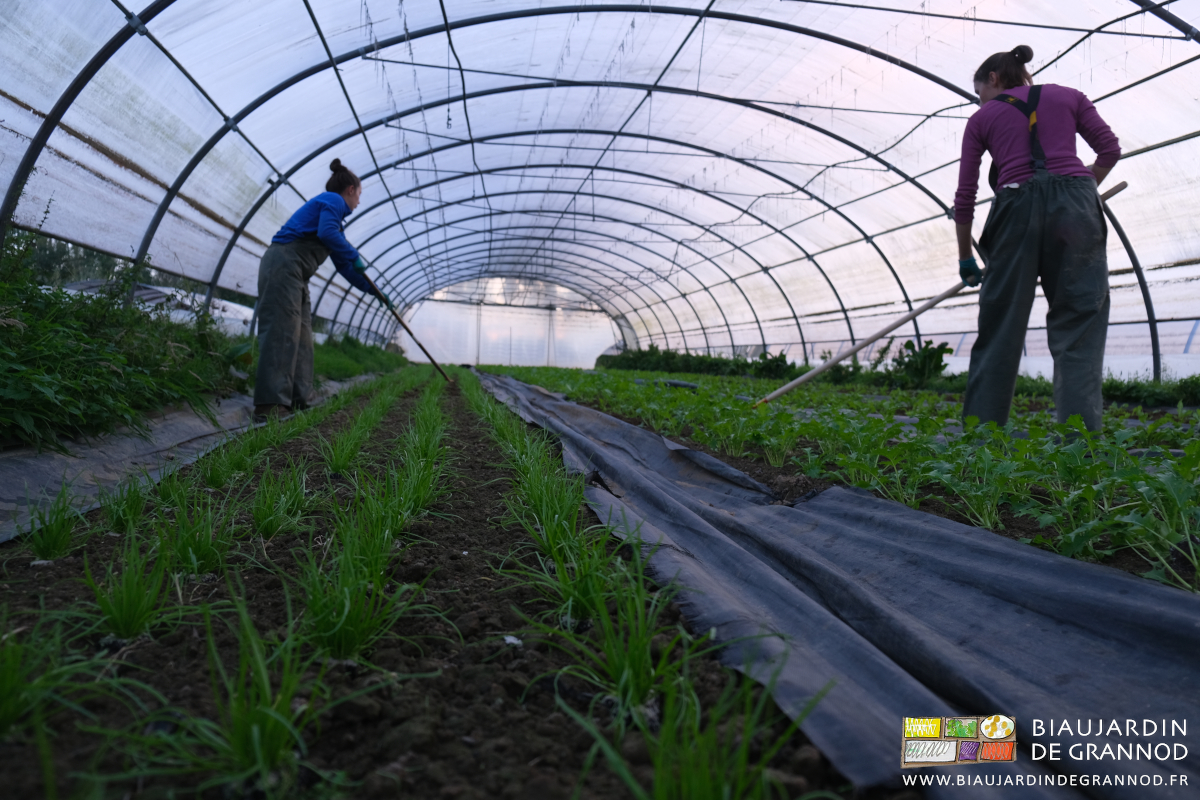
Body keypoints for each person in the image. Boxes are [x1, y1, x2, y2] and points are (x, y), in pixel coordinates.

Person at [954, 45, 1120, 432]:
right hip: (1076, 212)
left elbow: (965, 196)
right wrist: (1080, 190)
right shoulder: (1069, 96)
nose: (980, 100)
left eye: (980, 91)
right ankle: (1081, 453)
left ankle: (982, 446)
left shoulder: (983, 118)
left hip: (1015, 208)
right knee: (1079, 328)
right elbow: (1109, 149)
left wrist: (966, 258)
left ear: (993, 80)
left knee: (1000, 328)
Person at [254, 159, 391, 421]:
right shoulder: (333, 201)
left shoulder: (335, 221)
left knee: (303, 338)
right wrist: (353, 253)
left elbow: (346, 267)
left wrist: (374, 291)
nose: (358, 202)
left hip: (297, 275)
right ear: (350, 189)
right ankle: (270, 404)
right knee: (282, 334)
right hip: (284, 265)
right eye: (359, 195)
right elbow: (328, 235)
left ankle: (299, 399)